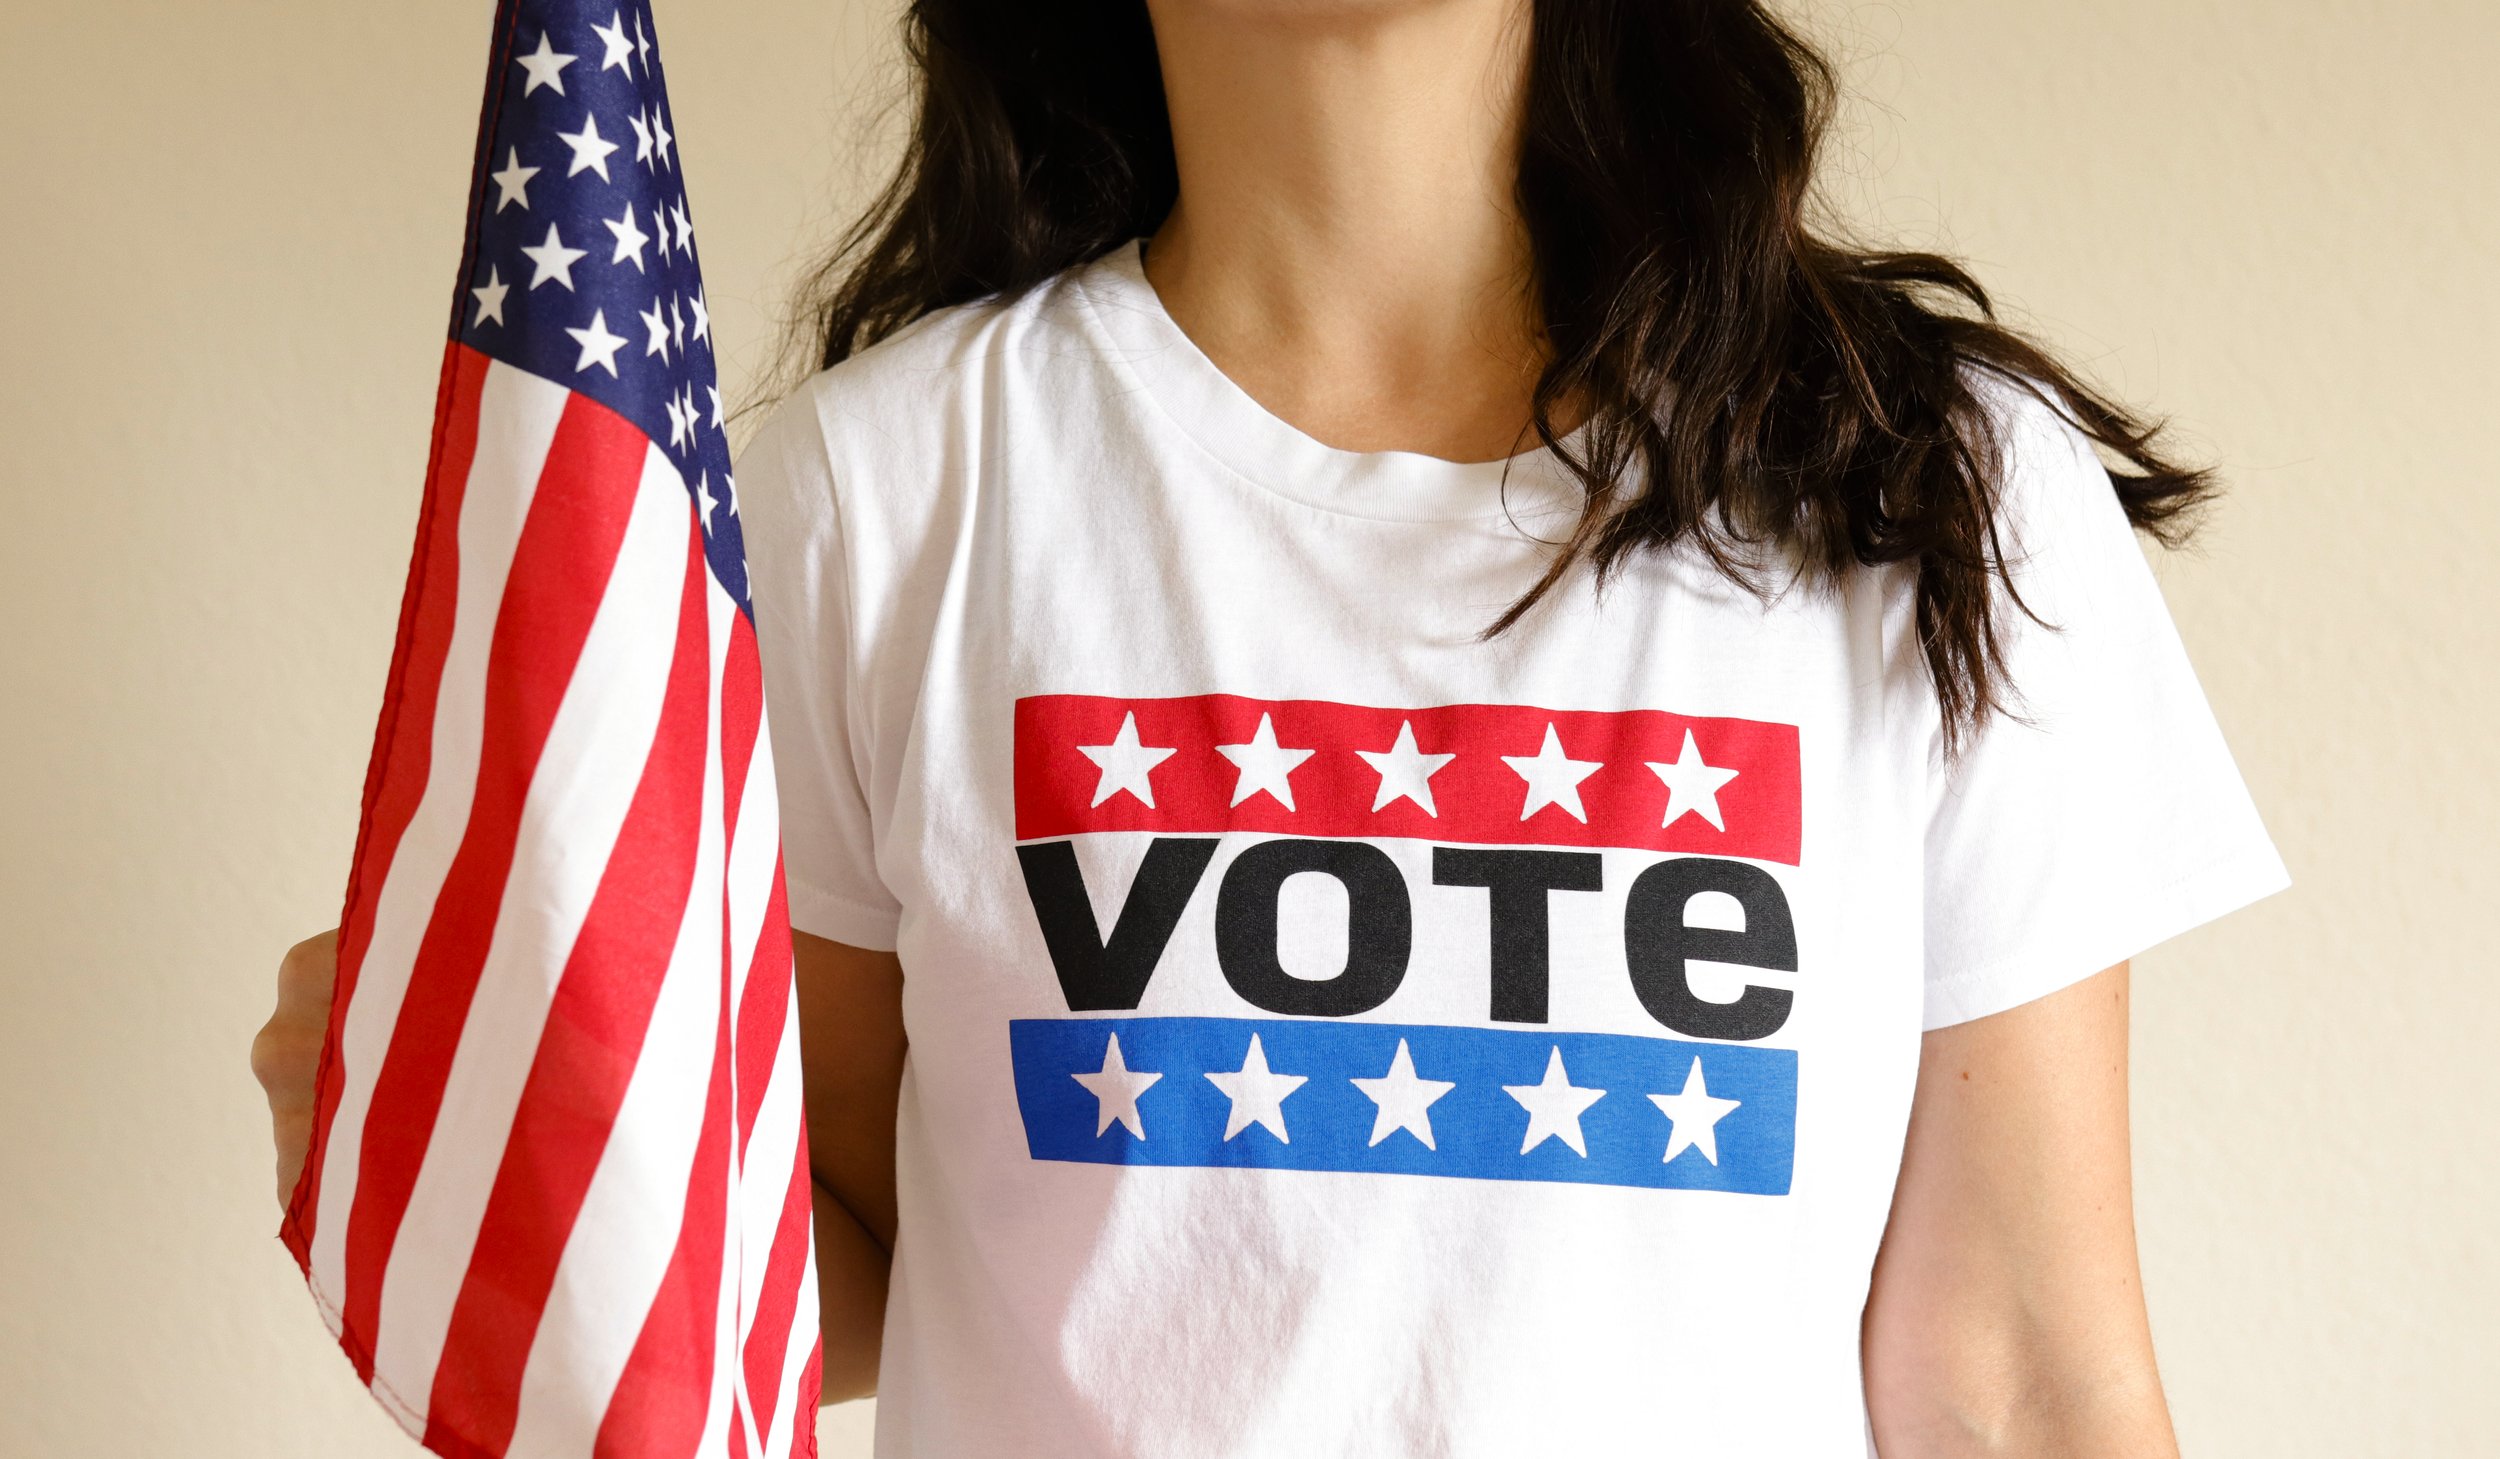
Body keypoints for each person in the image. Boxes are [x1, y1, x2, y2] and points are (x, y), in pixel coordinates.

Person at [256, 1, 2293, 1453]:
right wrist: (487, 1139)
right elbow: (879, 1254)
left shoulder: (1919, 483)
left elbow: (2013, 1377)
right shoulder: (878, 493)